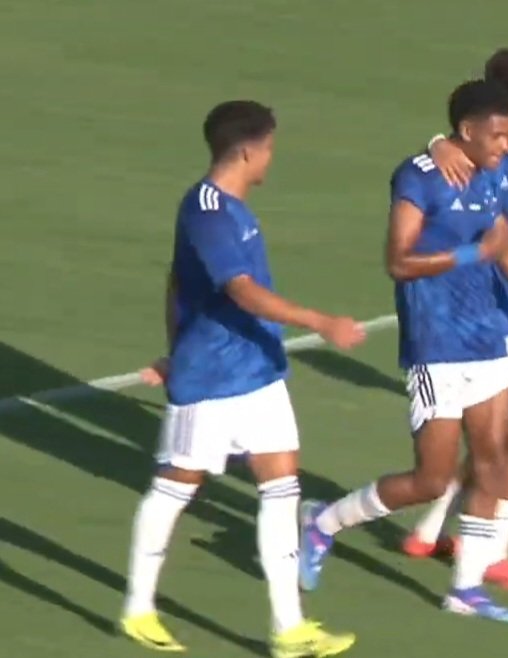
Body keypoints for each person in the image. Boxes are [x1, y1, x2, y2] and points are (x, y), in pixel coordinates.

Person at [297, 79, 508, 625]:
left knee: (489, 462)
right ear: (467, 130)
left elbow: (504, 251)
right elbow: (398, 261)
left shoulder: (486, 175)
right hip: (436, 347)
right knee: (431, 480)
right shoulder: (418, 178)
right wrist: (468, 253)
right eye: (501, 134)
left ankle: (466, 589)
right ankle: (323, 522)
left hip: (486, 341)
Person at [121, 100, 363, 657]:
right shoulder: (207, 210)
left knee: (282, 487)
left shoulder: (235, 208)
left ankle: (289, 628)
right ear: (249, 149)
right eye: (270, 148)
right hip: (211, 377)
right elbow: (240, 290)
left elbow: (177, 282)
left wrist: (170, 345)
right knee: (176, 486)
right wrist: (318, 321)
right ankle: (138, 610)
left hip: (257, 370)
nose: (271, 159)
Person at [404, 47, 508, 593]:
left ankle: (429, 532)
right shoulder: (486, 153)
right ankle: (490, 554)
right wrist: (438, 143)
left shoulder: (506, 150)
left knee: (487, 433)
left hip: (498, 306)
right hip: (476, 315)